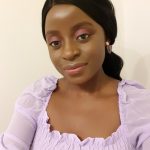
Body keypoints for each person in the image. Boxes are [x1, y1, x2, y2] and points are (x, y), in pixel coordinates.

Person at [0, 0, 150, 149]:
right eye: (55, 43)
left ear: (107, 36)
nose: (69, 53)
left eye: (82, 36)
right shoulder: (36, 99)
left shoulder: (139, 106)